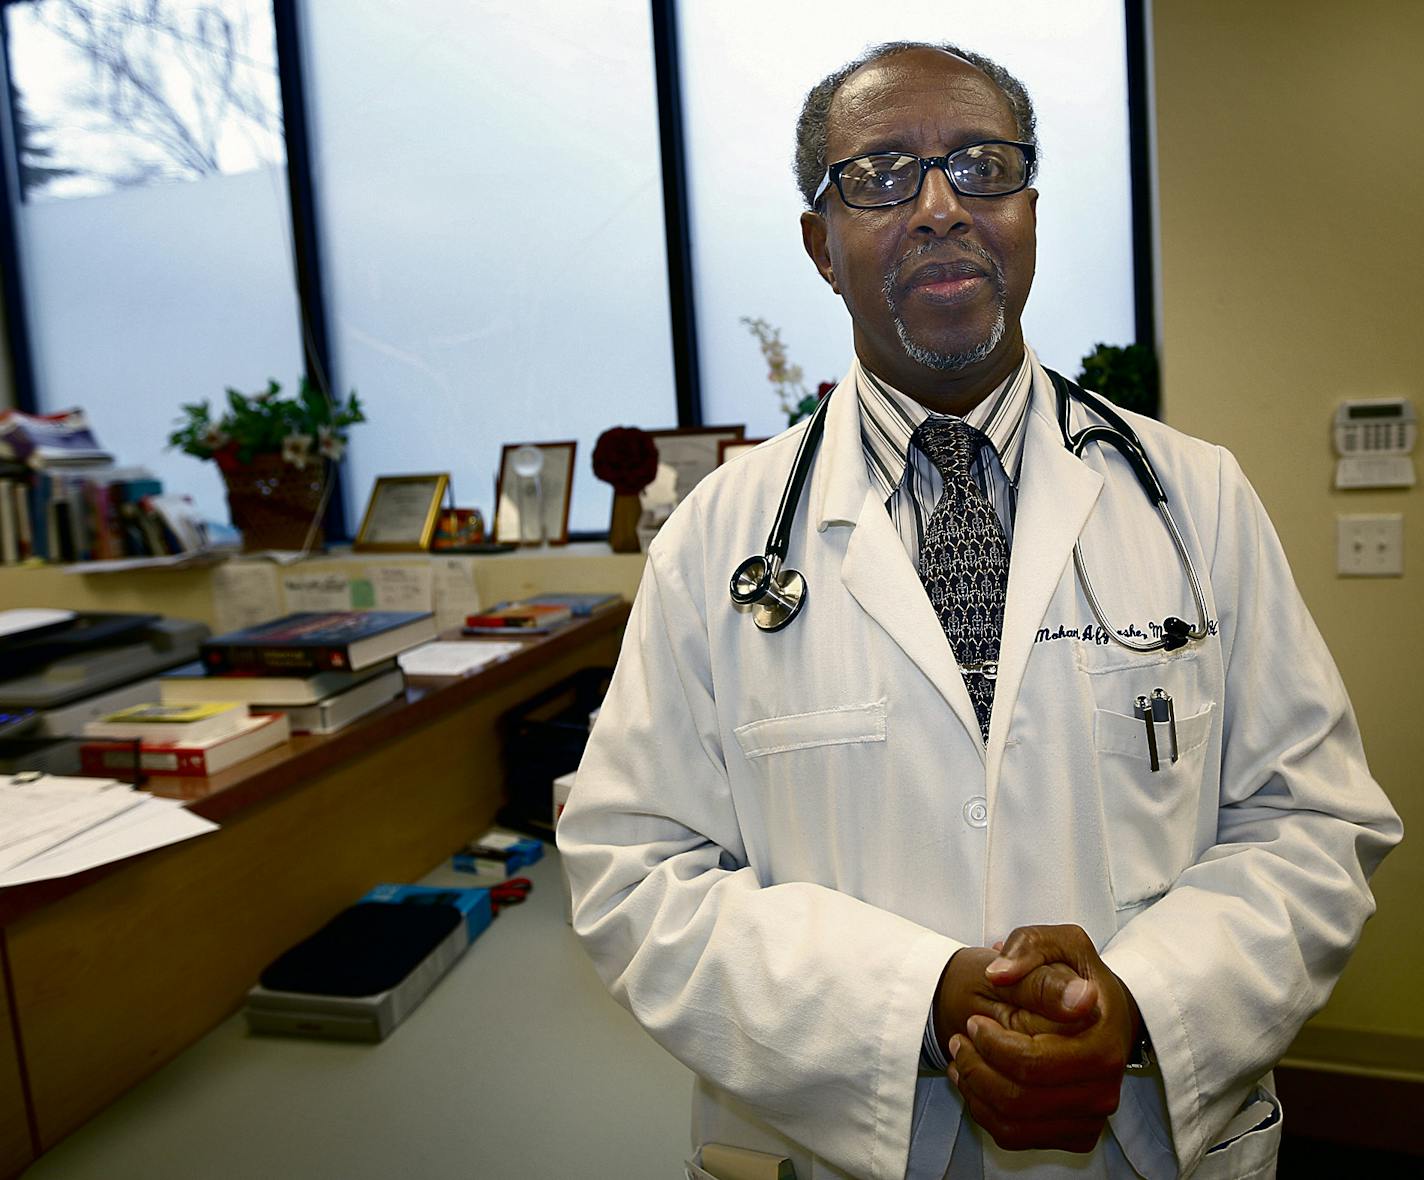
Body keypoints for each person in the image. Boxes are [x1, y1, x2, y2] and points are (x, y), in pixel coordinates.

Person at [557, 40, 1401, 1180]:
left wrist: (1140, 1000)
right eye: (881, 175)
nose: (940, 205)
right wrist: (919, 1001)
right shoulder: (717, 536)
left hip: (1142, 1141)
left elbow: (1311, 823)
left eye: (979, 165)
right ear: (819, 244)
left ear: (1031, 212)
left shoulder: (1194, 496)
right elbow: (634, 871)